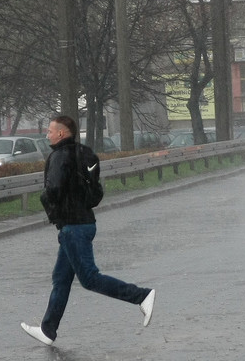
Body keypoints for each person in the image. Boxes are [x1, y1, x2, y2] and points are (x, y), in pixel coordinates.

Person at [21, 115, 156, 346]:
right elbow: (91, 192)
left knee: (90, 279)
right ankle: (48, 330)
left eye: (50, 131)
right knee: (61, 279)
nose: (47, 135)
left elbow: (52, 190)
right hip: (83, 223)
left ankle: (141, 296)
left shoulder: (59, 156)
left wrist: (50, 208)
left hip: (73, 227)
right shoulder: (82, 153)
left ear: (62, 134)